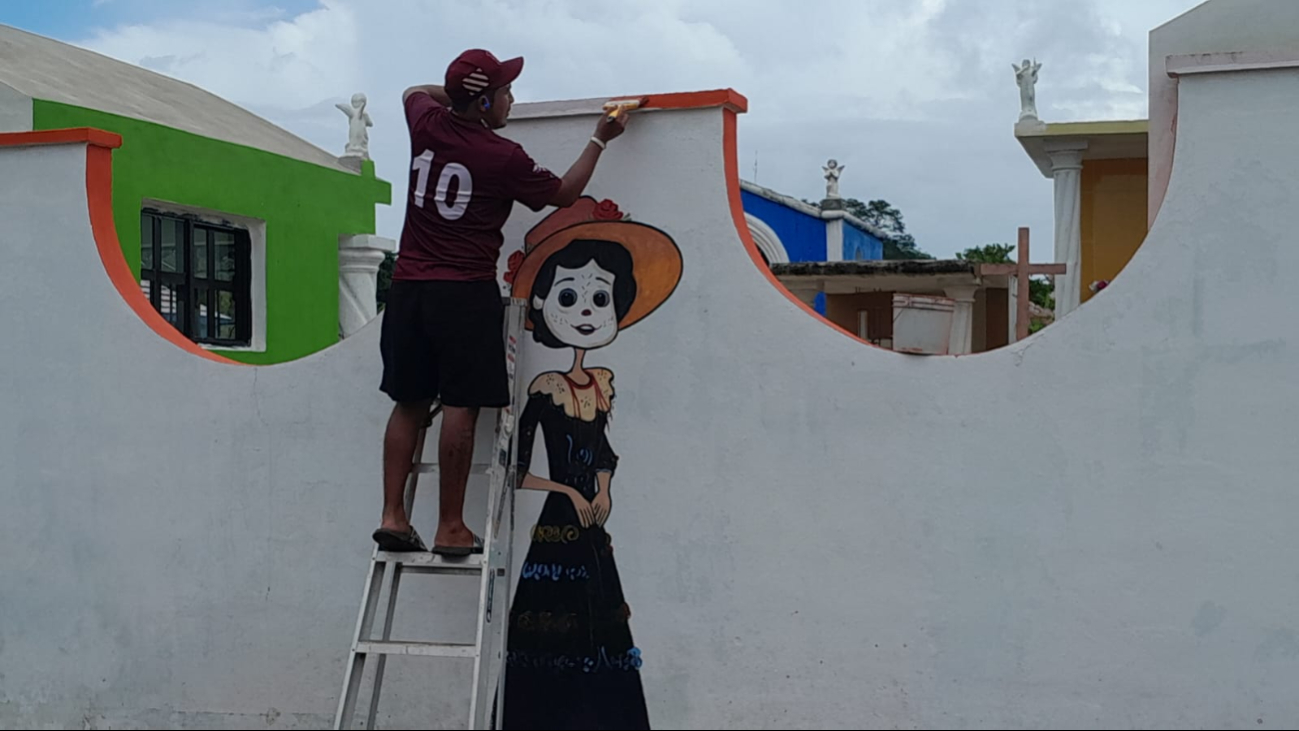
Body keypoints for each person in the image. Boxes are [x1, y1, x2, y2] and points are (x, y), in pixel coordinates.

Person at [373, 49, 632, 555]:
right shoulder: (502, 156)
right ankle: (452, 526)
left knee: (408, 403)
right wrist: (600, 138)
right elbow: (563, 193)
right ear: (486, 100)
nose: (513, 100)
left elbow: (413, 92)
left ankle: (392, 516)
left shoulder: (425, 123)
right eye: (506, 92)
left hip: (408, 289)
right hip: (463, 293)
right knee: (461, 406)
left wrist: (465, 95)